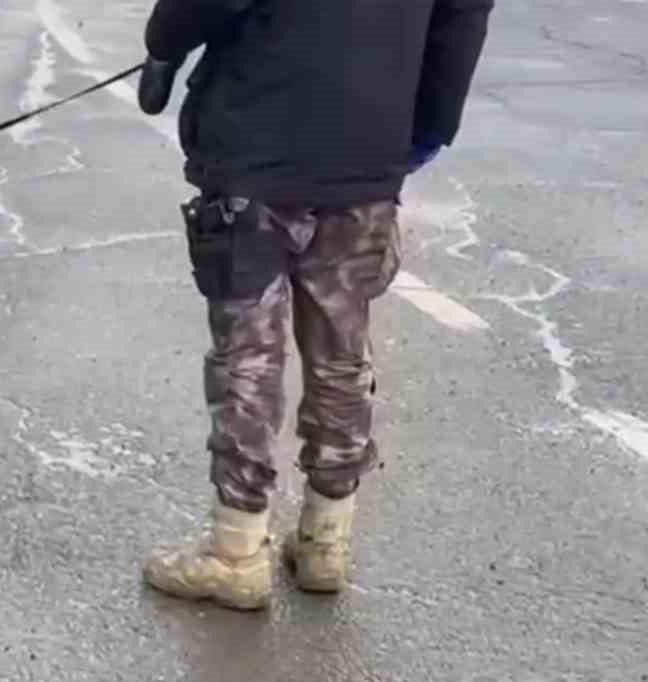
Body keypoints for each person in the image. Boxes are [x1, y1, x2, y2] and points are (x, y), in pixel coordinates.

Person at [135, 0, 495, 611]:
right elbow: (460, 20)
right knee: (342, 350)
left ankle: (236, 553)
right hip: (368, 151)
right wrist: (425, 127)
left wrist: (164, 44)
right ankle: (326, 540)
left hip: (257, 141)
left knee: (248, 357)